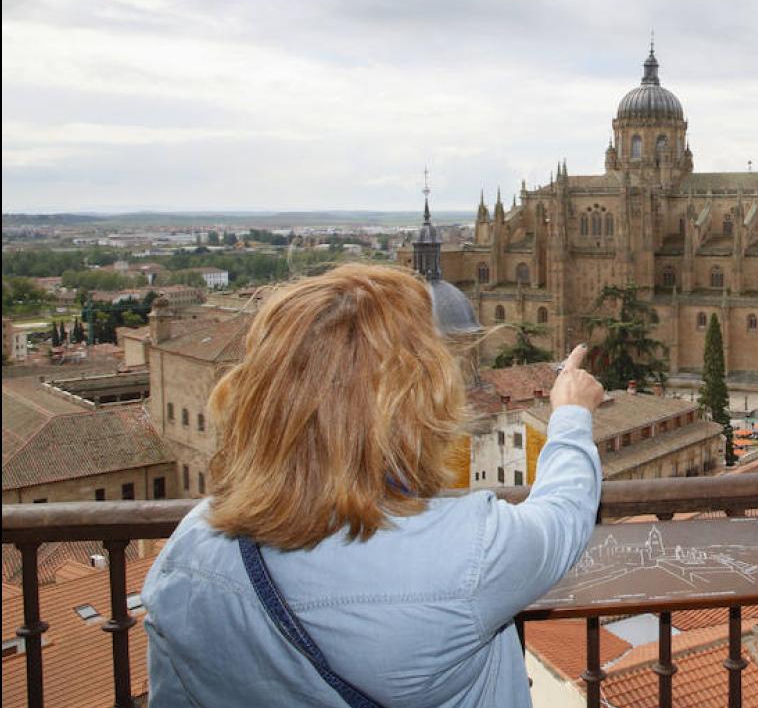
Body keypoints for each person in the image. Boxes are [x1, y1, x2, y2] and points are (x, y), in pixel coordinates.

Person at [143, 264, 605, 708]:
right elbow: (564, 513)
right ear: (419, 401)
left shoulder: (187, 554)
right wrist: (570, 413)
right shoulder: (466, 550)